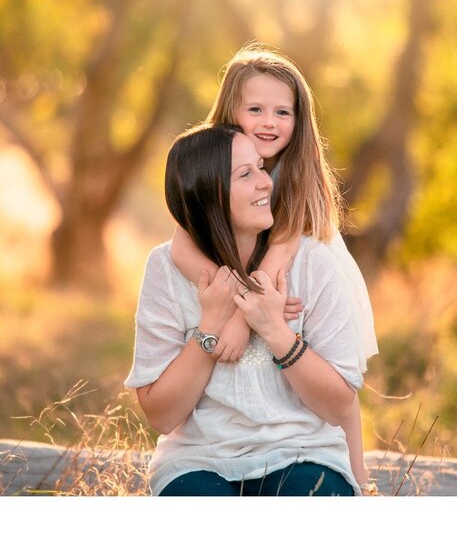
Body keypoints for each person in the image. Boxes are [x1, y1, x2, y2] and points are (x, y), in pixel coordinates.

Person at [168, 44, 379, 491]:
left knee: (338, 378)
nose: (270, 122)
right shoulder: (210, 163)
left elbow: (279, 253)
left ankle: (359, 475)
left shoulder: (299, 174)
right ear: (230, 110)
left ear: (299, 121)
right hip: (252, 282)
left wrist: (246, 321)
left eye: (283, 112)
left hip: (298, 268)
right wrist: (221, 297)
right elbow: (182, 247)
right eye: (256, 109)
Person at [126, 124, 362, 495]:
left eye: (261, 168)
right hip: (198, 461)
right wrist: (212, 323)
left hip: (303, 456)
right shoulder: (165, 268)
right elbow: (161, 415)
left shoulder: (312, 262)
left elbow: (338, 405)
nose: (267, 182)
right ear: (210, 192)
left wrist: (275, 331)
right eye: (246, 174)